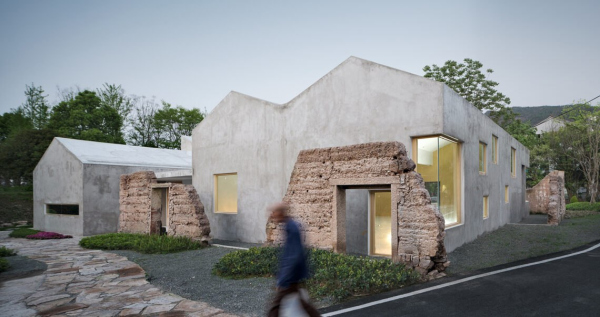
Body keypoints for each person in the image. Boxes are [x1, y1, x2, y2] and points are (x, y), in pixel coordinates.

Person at [268, 202, 321, 317]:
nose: (272, 215)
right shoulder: (289, 226)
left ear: (280, 213)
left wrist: (283, 279)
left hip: (292, 275)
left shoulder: (291, 228)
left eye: (274, 212)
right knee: (303, 303)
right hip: (294, 274)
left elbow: (294, 255)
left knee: (275, 305)